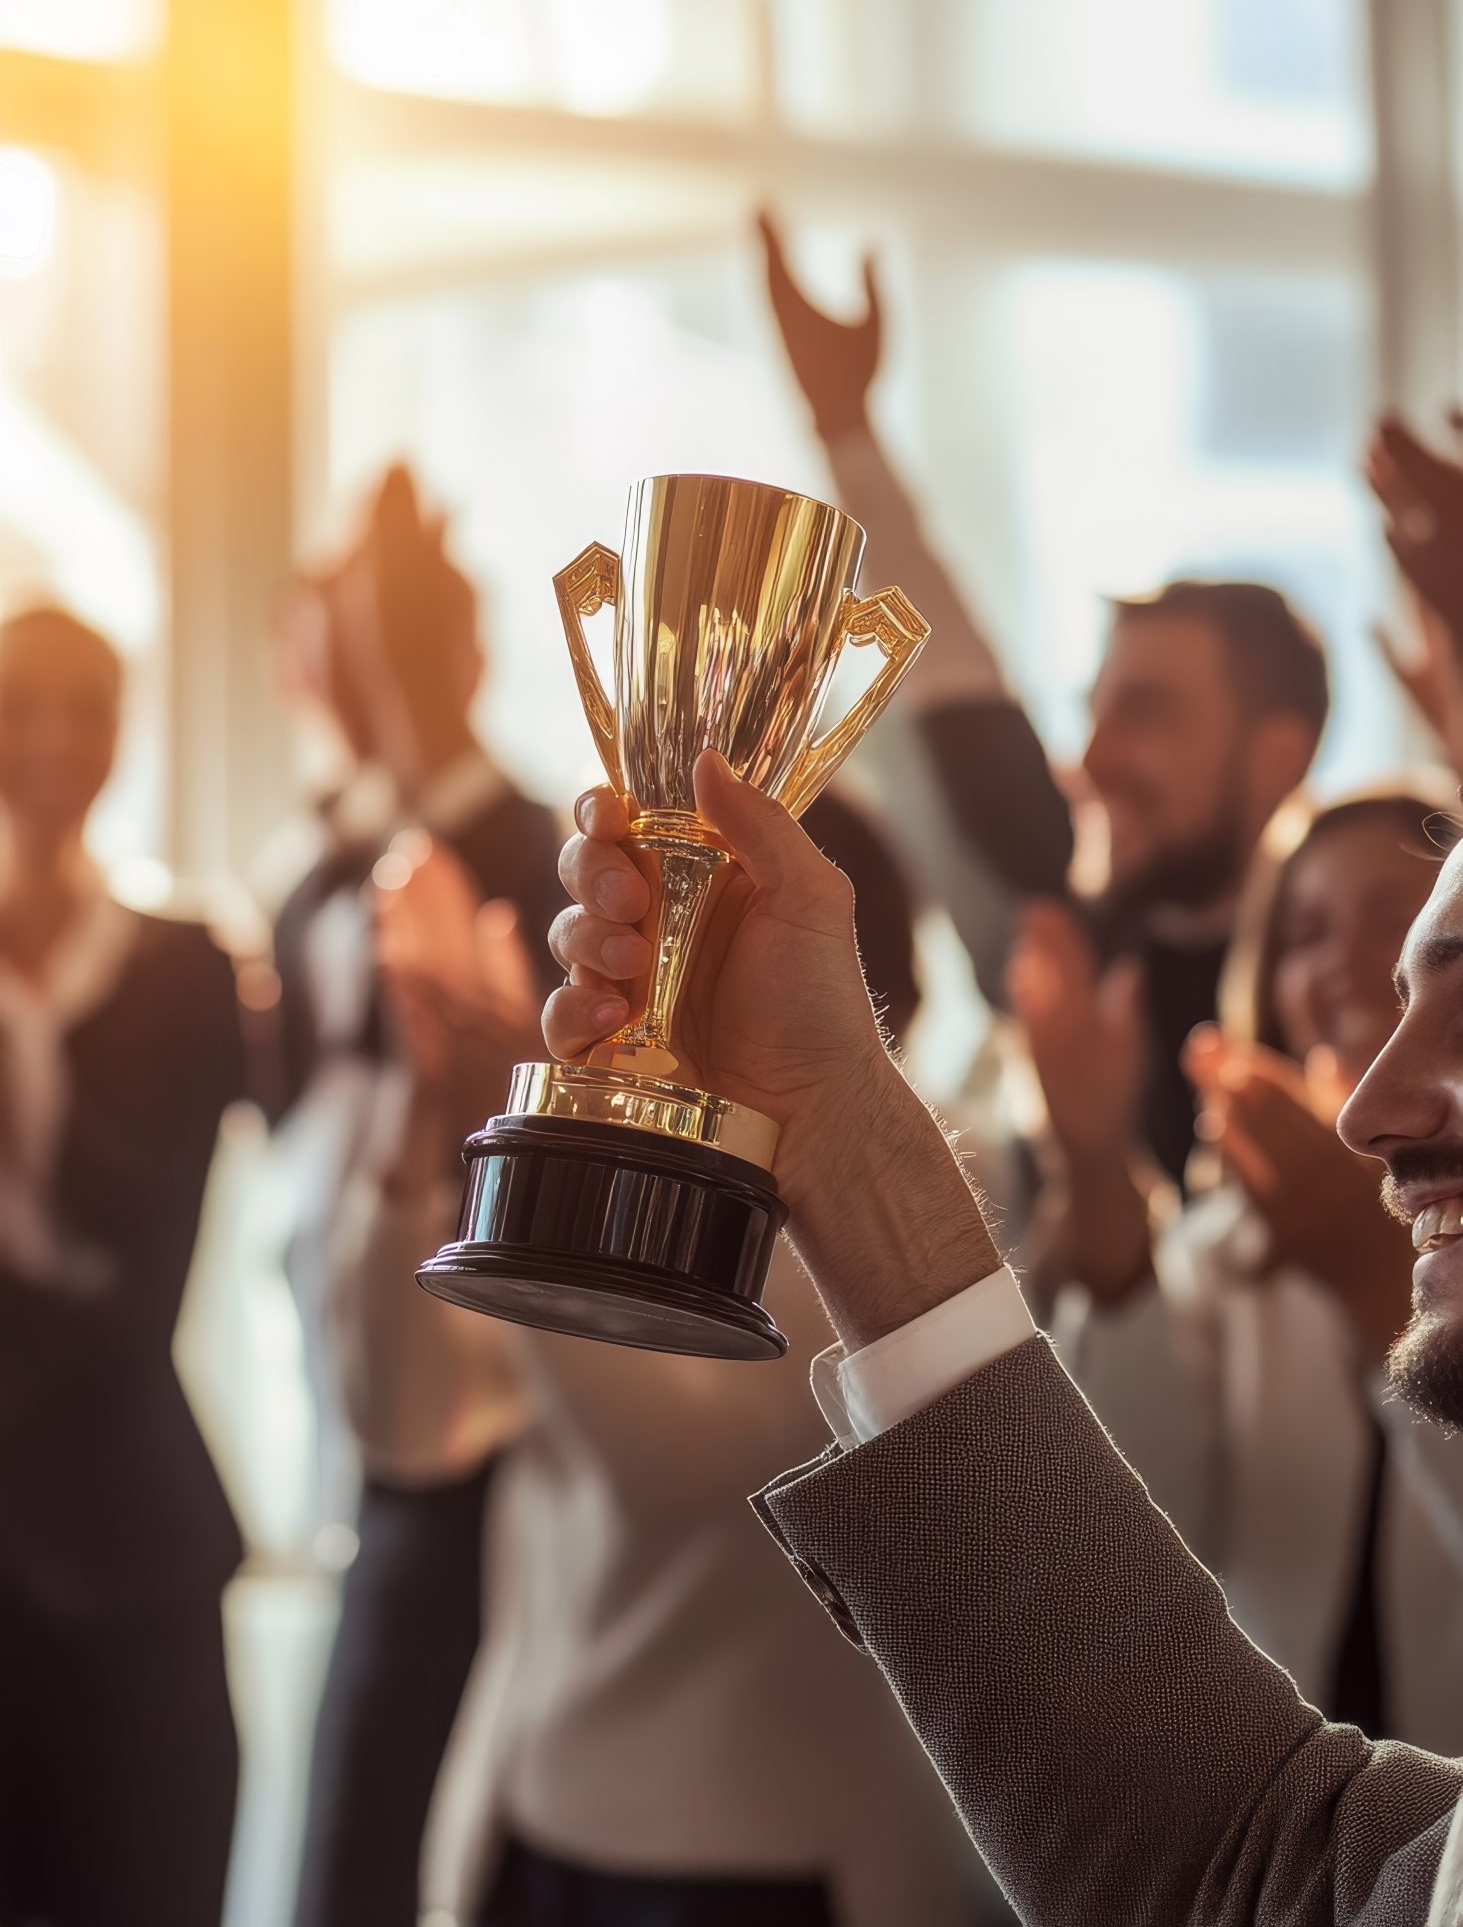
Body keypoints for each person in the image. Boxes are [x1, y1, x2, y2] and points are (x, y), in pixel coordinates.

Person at [553, 747, 1463, 1925]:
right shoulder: (1224, 1248)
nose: (1370, 1109)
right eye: (1408, 995)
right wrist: (829, 1121)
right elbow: (1244, 1868)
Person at [329, 789, 996, 1927]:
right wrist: (412, 1123)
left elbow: (692, 1462)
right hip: (520, 1801)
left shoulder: (898, 1177)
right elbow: (408, 1426)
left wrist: (547, 1195)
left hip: (749, 1844)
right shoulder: (626, 1126)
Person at [761, 210, 1329, 1185]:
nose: (1092, 758)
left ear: (1276, 754)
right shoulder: (1077, 940)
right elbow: (958, 695)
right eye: (1092, 711)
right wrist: (844, 427)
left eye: (1146, 714)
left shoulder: (1354, 991)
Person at [1016, 790, 1463, 1747]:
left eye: (1394, 924)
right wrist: (1093, 1170)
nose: (1344, 968)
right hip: (1277, 1830)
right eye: (1303, 931)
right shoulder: (1223, 1245)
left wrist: (1370, 1284)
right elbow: (1143, 1537)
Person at [281, 467, 565, 1927]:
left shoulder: (544, 862)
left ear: (464, 654)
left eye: (392, 639)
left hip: (509, 1430)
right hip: (359, 1414)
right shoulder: (310, 884)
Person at [0, 605, 257, 1927]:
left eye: (84, 705)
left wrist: (31, 1059)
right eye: (20, 701)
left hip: (129, 1556)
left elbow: (142, 1263)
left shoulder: (180, 968)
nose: (49, 736)